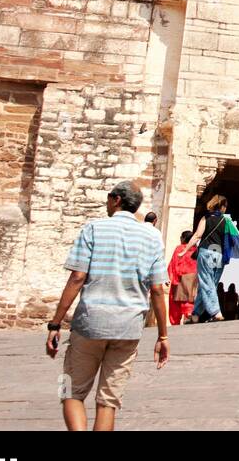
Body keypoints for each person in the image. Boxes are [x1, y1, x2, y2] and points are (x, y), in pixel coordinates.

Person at [45, 181, 168, 431]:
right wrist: (162, 336)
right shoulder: (152, 237)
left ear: (116, 200)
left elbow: (77, 277)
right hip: (129, 328)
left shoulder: (93, 228)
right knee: (109, 401)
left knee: (70, 390)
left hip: (90, 323)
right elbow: (157, 289)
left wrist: (55, 323)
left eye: (109, 198)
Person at [185, 194, 229, 322]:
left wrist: (186, 249)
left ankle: (215, 312)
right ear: (221, 207)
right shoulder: (226, 221)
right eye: (225, 206)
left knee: (206, 283)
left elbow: (198, 235)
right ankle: (196, 314)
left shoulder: (206, 218)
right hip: (219, 254)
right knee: (210, 284)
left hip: (206, 252)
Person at [167, 230, 198, 325]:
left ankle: (175, 321)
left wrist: (168, 277)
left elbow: (173, 263)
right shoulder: (195, 249)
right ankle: (188, 313)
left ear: (184, 238)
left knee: (175, 302)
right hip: (192, 278)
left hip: (179, 278)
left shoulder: (180, 248)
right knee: (189, 300)